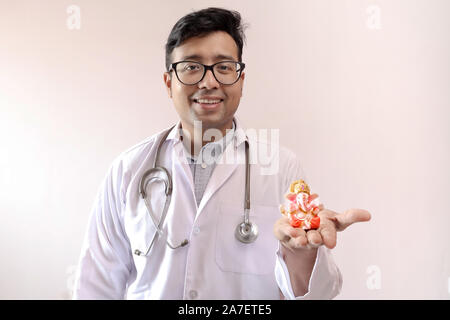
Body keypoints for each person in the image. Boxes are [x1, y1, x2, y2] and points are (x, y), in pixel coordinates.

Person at [73, 7, 371, 300]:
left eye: (224, 67)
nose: (209, 81)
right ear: (169, 83)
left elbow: (318, 294)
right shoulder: (128, 170)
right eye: (191, 66)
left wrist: (301, 255)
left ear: (241, 80)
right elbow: (95, 286)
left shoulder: (281, 168)